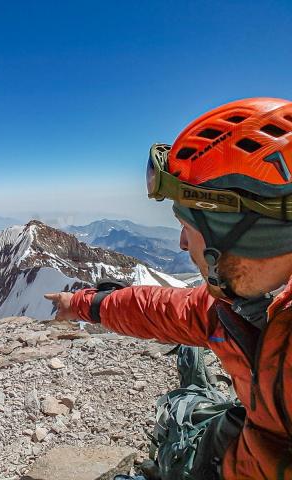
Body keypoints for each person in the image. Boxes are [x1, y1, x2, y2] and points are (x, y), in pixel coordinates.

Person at [45, 98, 292, 480]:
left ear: (240, 233)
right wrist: (83, 303)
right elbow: (167, 309)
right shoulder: (249, 306)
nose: (180, 242)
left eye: (188, 223)